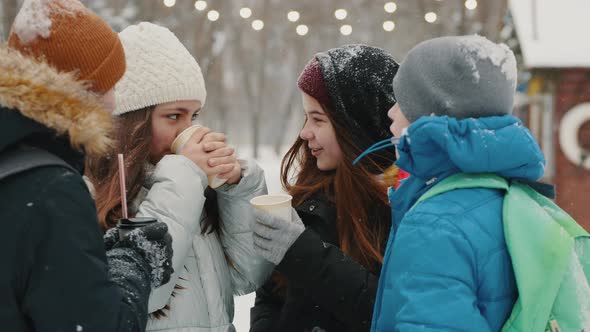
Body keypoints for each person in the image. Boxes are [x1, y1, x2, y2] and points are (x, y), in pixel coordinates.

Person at [85, 22, 272, 332]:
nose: (188, 130)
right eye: (174, 116)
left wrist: (237, 189)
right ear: (132, 121)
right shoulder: (97, 196)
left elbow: (246, 277)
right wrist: (184, 176)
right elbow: (145, 297)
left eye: (194, 116)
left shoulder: (191, 189)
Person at [0, 1, 174, 331]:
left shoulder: (14, 164)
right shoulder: (51, 190)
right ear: (82, 91)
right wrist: (134, 260)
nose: (113, 102)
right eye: (109, 85)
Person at [370, 35, 545, 331]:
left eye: (401, 102)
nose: (391, 112)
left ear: (430, 113)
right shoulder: (507, 195)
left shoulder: (435, 223)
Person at [249, 44, 400, 332]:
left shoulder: (403, 203)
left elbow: (388, 313)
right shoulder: (311, 195)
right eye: (306, 117)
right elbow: (270, 295)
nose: (305, 133)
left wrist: (302, 253)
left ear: (357, 125)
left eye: (318, 119)